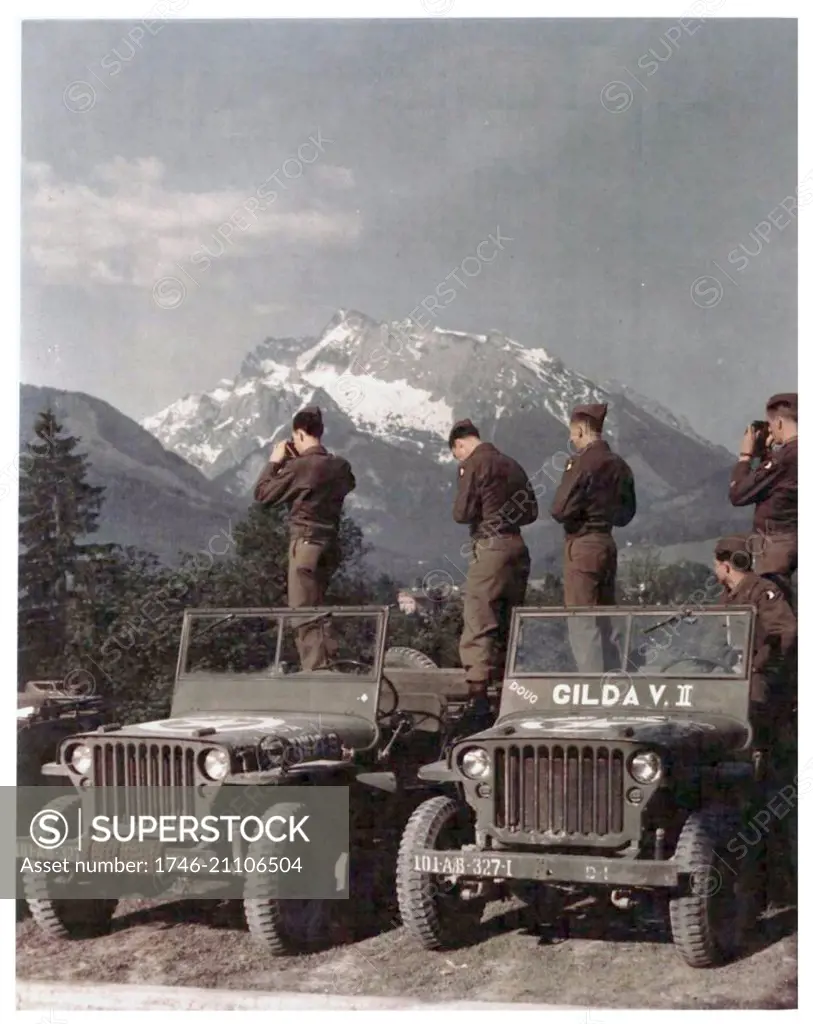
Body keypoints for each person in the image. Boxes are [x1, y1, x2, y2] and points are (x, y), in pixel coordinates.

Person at [449, 419, 538, 733]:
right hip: (517, 547)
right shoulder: (512, 464)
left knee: (479, 616)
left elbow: (461, 513)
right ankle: (507, 687)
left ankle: (478, 695)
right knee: (510, 619)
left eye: (457, 454)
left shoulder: (474, 464)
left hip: (490, 547)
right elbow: (531, 512)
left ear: (460, 444)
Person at [253, 406, 355, 670]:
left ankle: (316, 671)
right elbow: (348, 483)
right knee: (321, 606)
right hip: (331, 543)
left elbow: (263, 495)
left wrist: (276, 462)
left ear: (298, 434)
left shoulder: (300, 467)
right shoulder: (340, 465)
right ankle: (332, 663)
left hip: (305, 542)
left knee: (303, 610)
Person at [551, 402, 636, 672]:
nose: (571, 439)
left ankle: (590, 687)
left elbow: (560, 509)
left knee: (582, 622)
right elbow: (626, 514)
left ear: (580, 430)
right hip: (607, 543)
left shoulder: (580, 463)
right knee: (606, 618)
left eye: (572, 433)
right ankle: (613, 681)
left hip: (582, 543)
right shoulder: (620, 465)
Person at [713, 534, 796, 741]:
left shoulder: (763, 591)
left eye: (716, 565)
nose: (715, 570)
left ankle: (756, 752)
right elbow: (712, 640)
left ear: (725, 567)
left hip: (763, 673)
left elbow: (784, 632)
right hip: (732, 671)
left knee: (753, 697)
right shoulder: (725, 599)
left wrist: (757, 665)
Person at [729, 392, 797, 599]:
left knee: (772, 604)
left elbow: (738, 494)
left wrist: (745, 457)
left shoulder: (786, 457)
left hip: (776, 543)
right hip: (793, 537)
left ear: (778, 423)